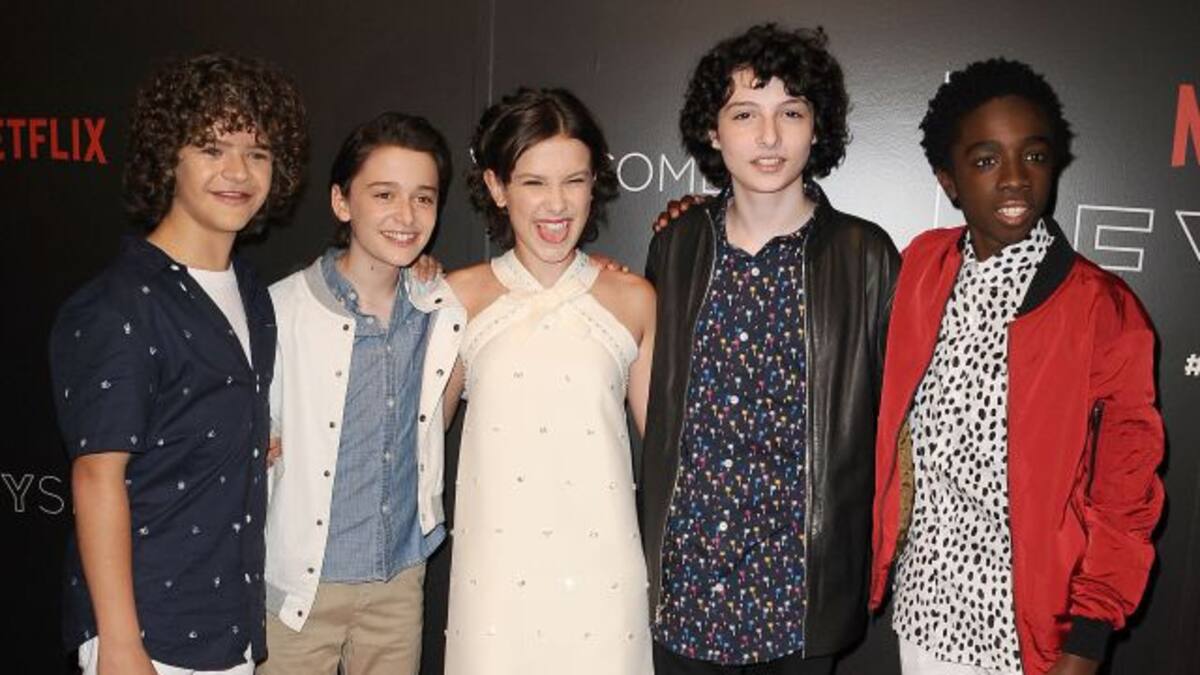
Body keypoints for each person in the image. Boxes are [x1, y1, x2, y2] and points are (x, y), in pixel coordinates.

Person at [870, 59, 1164, 675]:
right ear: (948, 180)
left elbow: (1125, 492)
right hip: (921, 612)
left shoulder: (1102, 309)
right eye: (985, 160)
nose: (1014, 179)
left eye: (1033, 156)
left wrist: (1086, 640)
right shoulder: (922, 266)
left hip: (1029, 637)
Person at [642, 23, 899, 675]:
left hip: (798, 595)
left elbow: (896, 425)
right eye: (744, 114)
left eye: (790, 112)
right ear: (713, 131)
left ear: (816, 127)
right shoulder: (676, 246)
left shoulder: (865, 256)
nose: (768, 136)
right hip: (686, 583)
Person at [48, 53, 308, 675]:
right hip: (149, 634)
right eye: (212, 149)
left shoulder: (251, 293)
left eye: (257, 153)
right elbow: (96, 477)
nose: (238, 172)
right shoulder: (120, 304)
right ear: (169, 157)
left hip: (229, 624)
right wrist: (120, 645)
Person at [437, 87, 656, 674]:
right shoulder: (456, 297)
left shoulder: (634, 298)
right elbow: (418, 433)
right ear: (496, 186)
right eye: (533, 182)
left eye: (574, 181)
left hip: (604, 581)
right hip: (495, 584)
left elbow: (669, 451)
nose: (556, 204)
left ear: (593, 184)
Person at [260, 112, 460, 675]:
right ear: (342, 202)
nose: (406, 216)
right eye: (384, 194)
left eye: (423, 198)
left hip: (398, 581)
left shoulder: (440, 307)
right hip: (302, 589)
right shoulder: (280, 310)